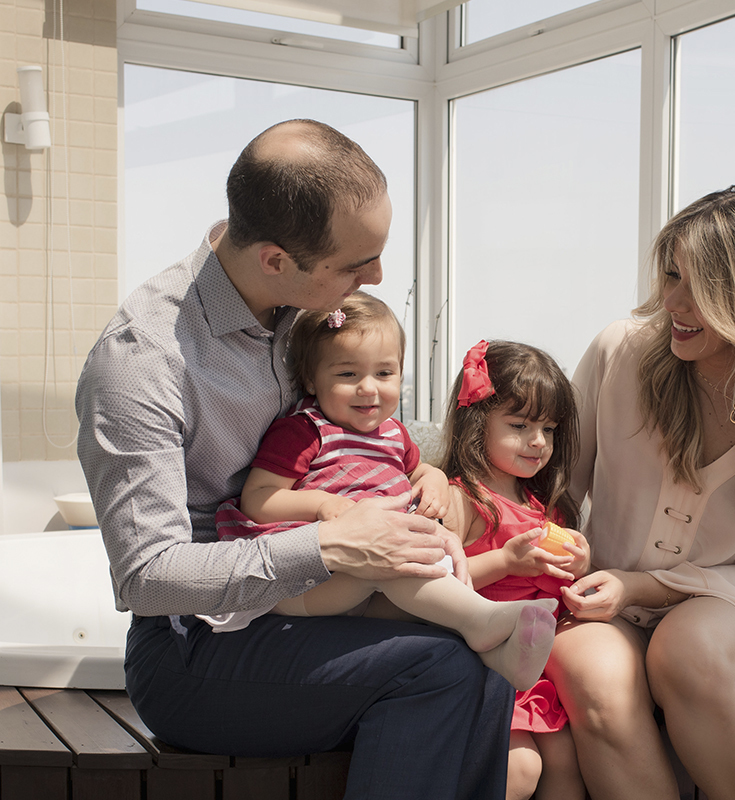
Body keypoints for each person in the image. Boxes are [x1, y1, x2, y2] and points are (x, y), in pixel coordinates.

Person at [75, 119, 512, 800]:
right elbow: (146, 577)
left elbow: (351, 442)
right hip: (196, 649)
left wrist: (424, 481)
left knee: (489, 660)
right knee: (441, 670)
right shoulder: (142, 365)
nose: (376, 276)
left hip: (297, 611)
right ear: (275, 259)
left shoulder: (300, 314)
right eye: (354, 264)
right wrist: (330, 546)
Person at [548, 186, 735, 800]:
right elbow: (557, 487)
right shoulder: (619, 352)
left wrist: (643, 586)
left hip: (726, 623)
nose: (673, 303)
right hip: (603, 607)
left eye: (702, 288)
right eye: (672, 274)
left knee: (688, 647)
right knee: (589, 668)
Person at [207, 292, 558, 691]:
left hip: (372, 583)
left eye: (384, 374)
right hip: (307, 581)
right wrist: (326, 506)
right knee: (399, 565)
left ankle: (495, 652)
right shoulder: (305, 430)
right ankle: (482, 619)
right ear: (310, 379)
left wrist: (434, 477)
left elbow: (418, 467)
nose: (368, 389)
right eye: (347, 375)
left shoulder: (393, 435)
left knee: (414, 576)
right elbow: (259, 497)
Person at [440, 340, 591, 800]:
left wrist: (580, 567)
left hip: (535, 671)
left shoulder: (543, 506)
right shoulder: (462, 498)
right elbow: (440, 581)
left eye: (549, 428)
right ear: (476, 423)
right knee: (519, 770)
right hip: (484, 664)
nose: (539, 441)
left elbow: (553, 587)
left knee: (568, 763)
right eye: (520, 425)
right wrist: (505, 560)